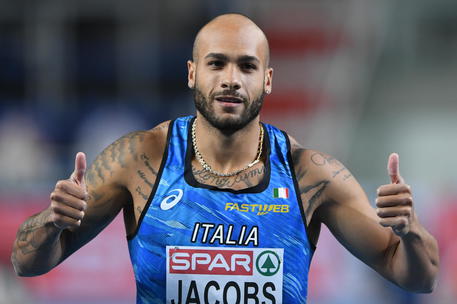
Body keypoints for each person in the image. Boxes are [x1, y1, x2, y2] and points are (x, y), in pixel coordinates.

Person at [11, 13, 439, 304]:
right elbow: (26, 263)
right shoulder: (140, 158)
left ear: (267, 80)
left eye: (247, 67)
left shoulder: (309, 175)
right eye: (217, 63)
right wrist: (52, 221)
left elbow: (417, 276)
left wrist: (412, 231)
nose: (231, 79)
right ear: (193, 72)